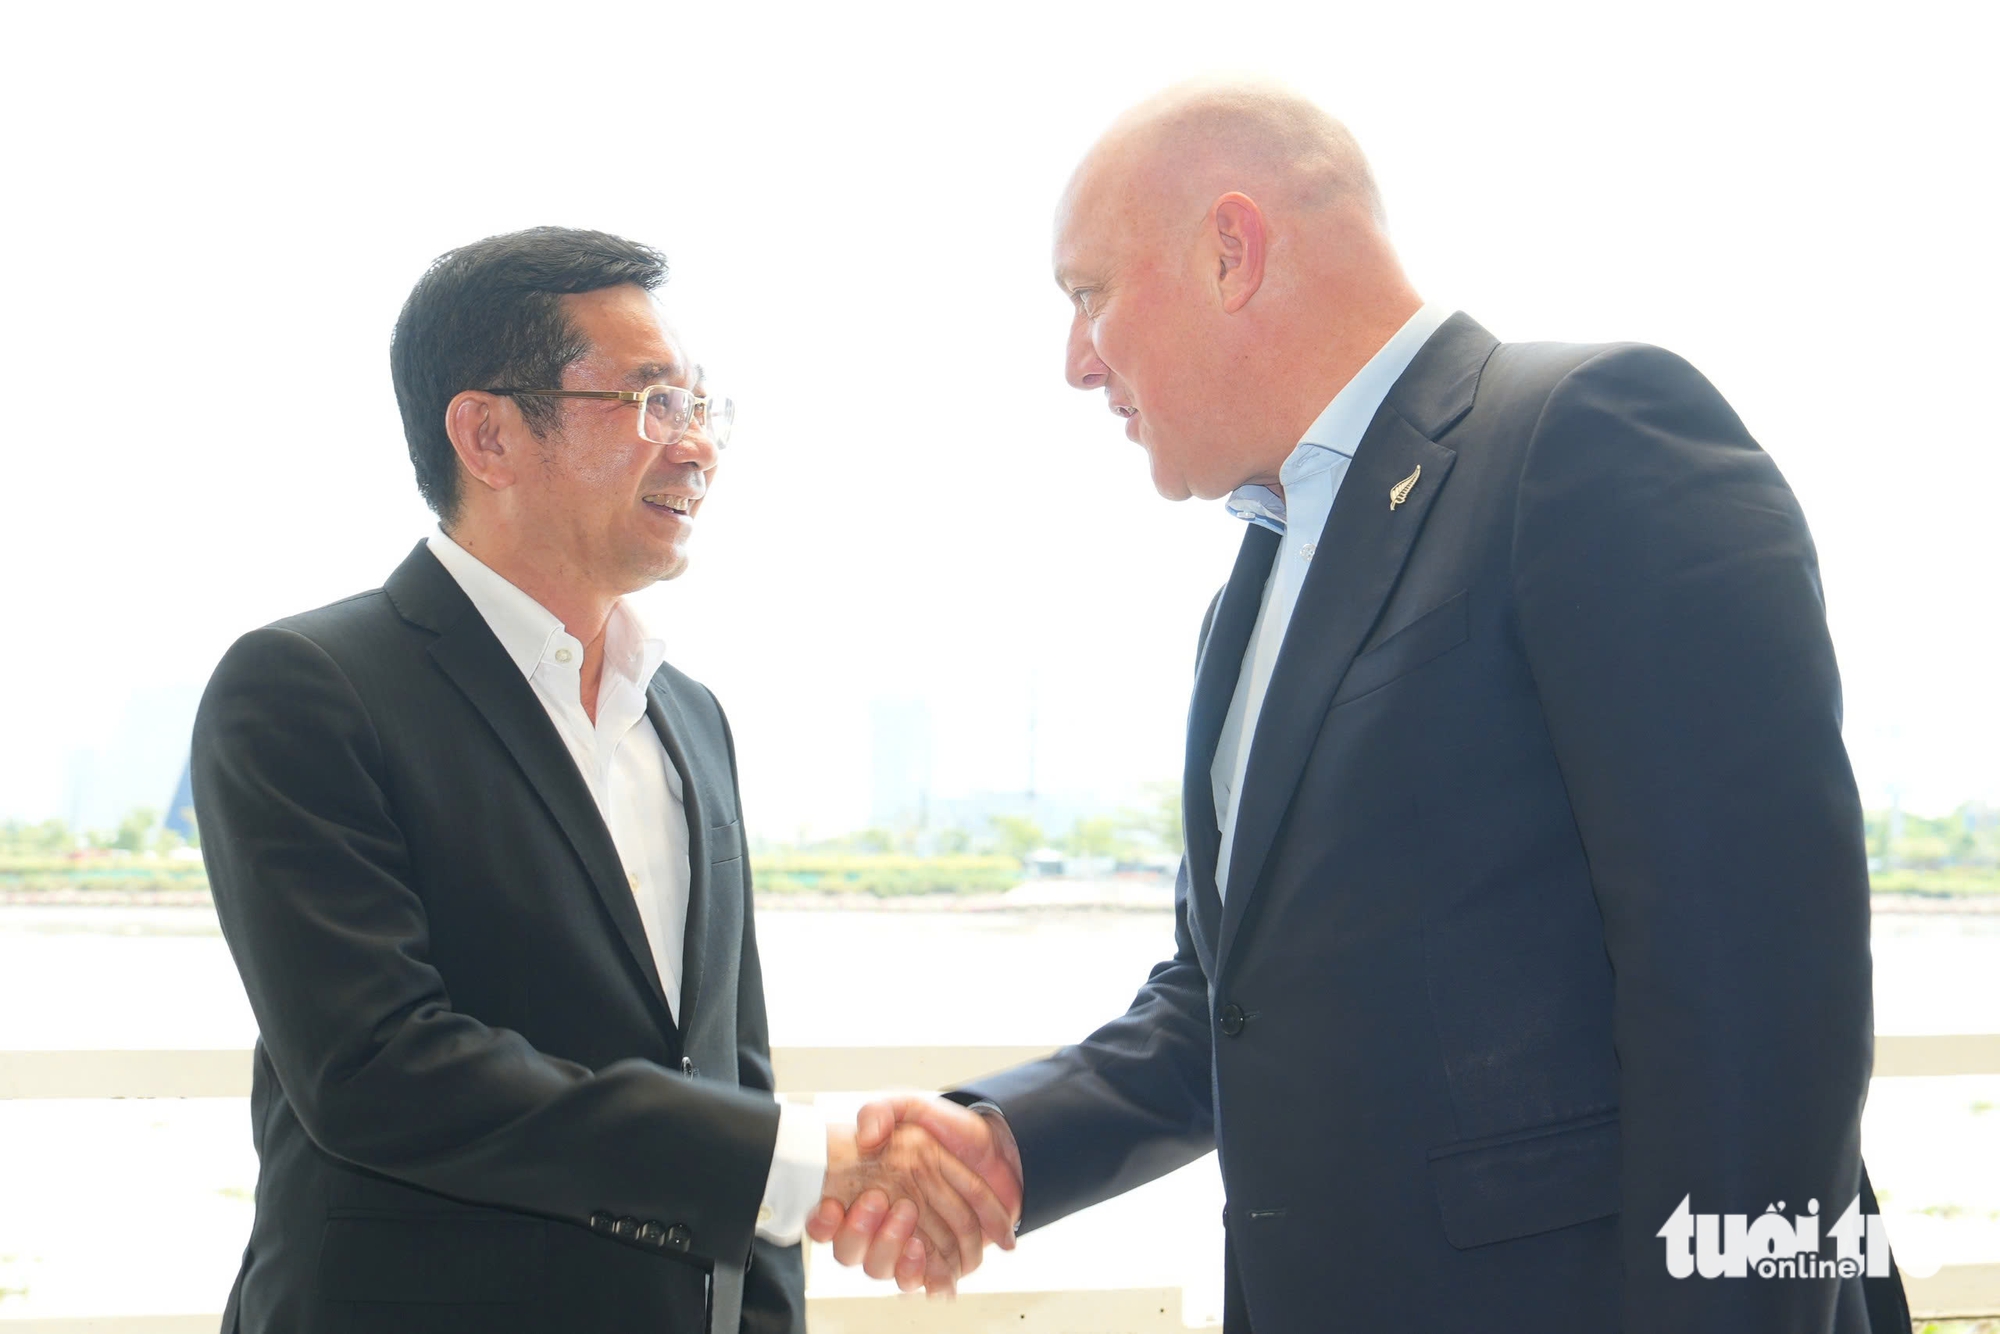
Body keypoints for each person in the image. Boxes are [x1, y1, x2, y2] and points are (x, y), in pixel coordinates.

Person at [811, 82, 1912, 1333]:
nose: (1073, 362)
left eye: (1086, 293)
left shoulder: (1589, 437)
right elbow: (1230, 994)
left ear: (1231, 250)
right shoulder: (1256, 584)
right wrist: (1007, 1139)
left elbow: (1764, 999)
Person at [191, 227, 1014, 1334]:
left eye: (700, 406)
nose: (696, 447)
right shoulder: (306, 688)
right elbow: (380, 1069)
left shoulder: (688, 714)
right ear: (486, 432)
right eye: (648, 402)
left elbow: (730, 1064)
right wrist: (809, 1158)